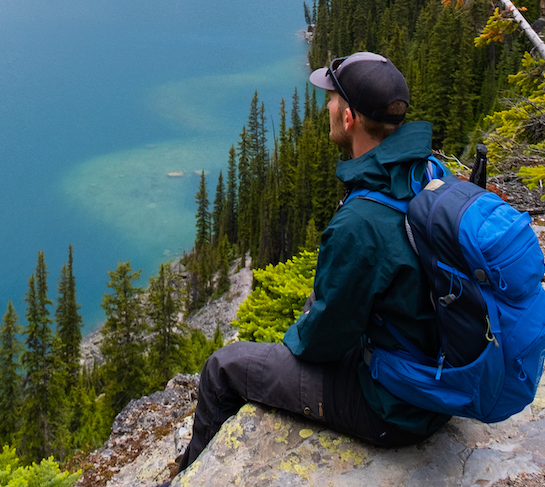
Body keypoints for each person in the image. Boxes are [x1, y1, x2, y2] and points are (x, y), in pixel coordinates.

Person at [174, 52, 451, 476]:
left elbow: (322, 343)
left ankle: (192, 476)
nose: (326, 105)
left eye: (333, 99)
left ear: (349, 119)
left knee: (221, 369)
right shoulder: (429, 172)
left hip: (393, 408)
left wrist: (298, 333)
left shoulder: (361, 222)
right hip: (435, 378)